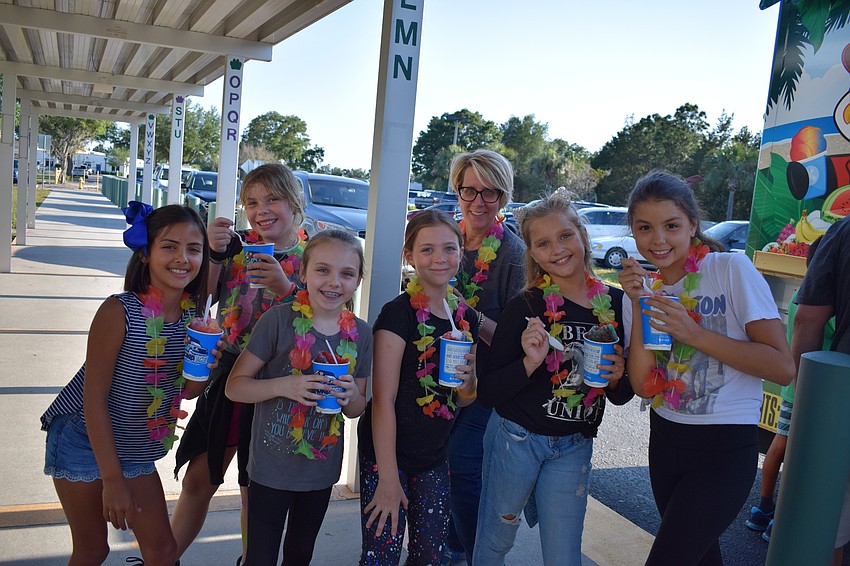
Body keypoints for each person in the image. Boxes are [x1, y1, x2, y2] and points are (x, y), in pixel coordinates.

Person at [617, 170, 796, 565]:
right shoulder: (645, 291)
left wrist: (694, 334)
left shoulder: (730, 270)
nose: (658, 239)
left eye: (671, 225)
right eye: (645, 227)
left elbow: (783, 367)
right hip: (665, 442)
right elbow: (645, 387)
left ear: (693, 225)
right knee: (700, 558)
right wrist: (636, 303)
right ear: (632, 232)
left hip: (724, 449)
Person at [40, 203, 212, 565]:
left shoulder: (192, 319)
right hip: (83, 437)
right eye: (170, 246)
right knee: (92, 549)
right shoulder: (119, 311)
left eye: (193, 249)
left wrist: (205, 365)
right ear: (146, 253)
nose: (183, 258)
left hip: (134, 446)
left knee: (163, 550)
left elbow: (182, 392)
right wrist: (113, 481)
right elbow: (94, 401)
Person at [473, 190, 633, 565]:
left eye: (564, 236)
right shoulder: (526, 306)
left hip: (574, 446)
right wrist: (530, 363)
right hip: (517, 439)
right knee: (496, 541)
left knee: (564, 555)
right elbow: (489, 392)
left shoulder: (615, 305)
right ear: (533, 253)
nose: (558, 249)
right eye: (543, 243)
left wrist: (616, 377)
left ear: (581, 235)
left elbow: (622, 395)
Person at [171, 163, 307, 563]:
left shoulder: (312, 254)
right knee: (200, 478)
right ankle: (163, 557)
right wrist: (213, 252)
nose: (261, 209)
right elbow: (201, 297)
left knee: (255, 492)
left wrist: (287, 288)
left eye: (272, 199)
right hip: (230, 375)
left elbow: (329, 322)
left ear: (294, 201)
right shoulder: (236, 247)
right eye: (251, 201)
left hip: (278, 387)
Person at [224, 230, 372, 566]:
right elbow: (236, 386)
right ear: (303, 273)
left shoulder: (361, 334)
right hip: (270, 469)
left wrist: (350, 395)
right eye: (323, 270)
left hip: (320, 471)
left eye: (347, 274)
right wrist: (285, 386)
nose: (334, 282)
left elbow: (356, 408)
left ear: (358, 280)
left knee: (300, 553)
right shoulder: (278, 320)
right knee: (259, 557)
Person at [358, 210, 480, 566]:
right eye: (427, 250)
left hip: (434, 456)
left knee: (429, 555)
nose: (439, 258)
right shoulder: (398, 314)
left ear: (461, 252)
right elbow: (382, 400)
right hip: (387, 455)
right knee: (381, 554)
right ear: (409, 256)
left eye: (449, 248)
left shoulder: (463, 316)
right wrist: (387, 478)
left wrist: (470, 382)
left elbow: (464, 397)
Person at [444, 149, 526, 564]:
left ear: (504, 196)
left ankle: (477, 553)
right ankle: (454, 541)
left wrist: (467, 313)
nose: (478, 202)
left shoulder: (512, 253)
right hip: (437, 374)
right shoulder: (445, 239)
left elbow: (516, 343)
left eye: (489, 193)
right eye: (469, 190)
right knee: (432, 455)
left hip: (486, 382)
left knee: (461, 460)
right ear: (457, 190)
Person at [745, 237, 835, 543]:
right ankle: (781, 521)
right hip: (815, 389)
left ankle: (762, 508)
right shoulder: (827, 307)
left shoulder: (799, 296)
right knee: (801, 457)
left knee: (780, 445)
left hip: (793, 389)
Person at [789, 217, 850, 566]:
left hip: (842, 401)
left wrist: (807, 409)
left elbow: (807, 319)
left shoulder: (843, 231)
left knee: (826, 528)